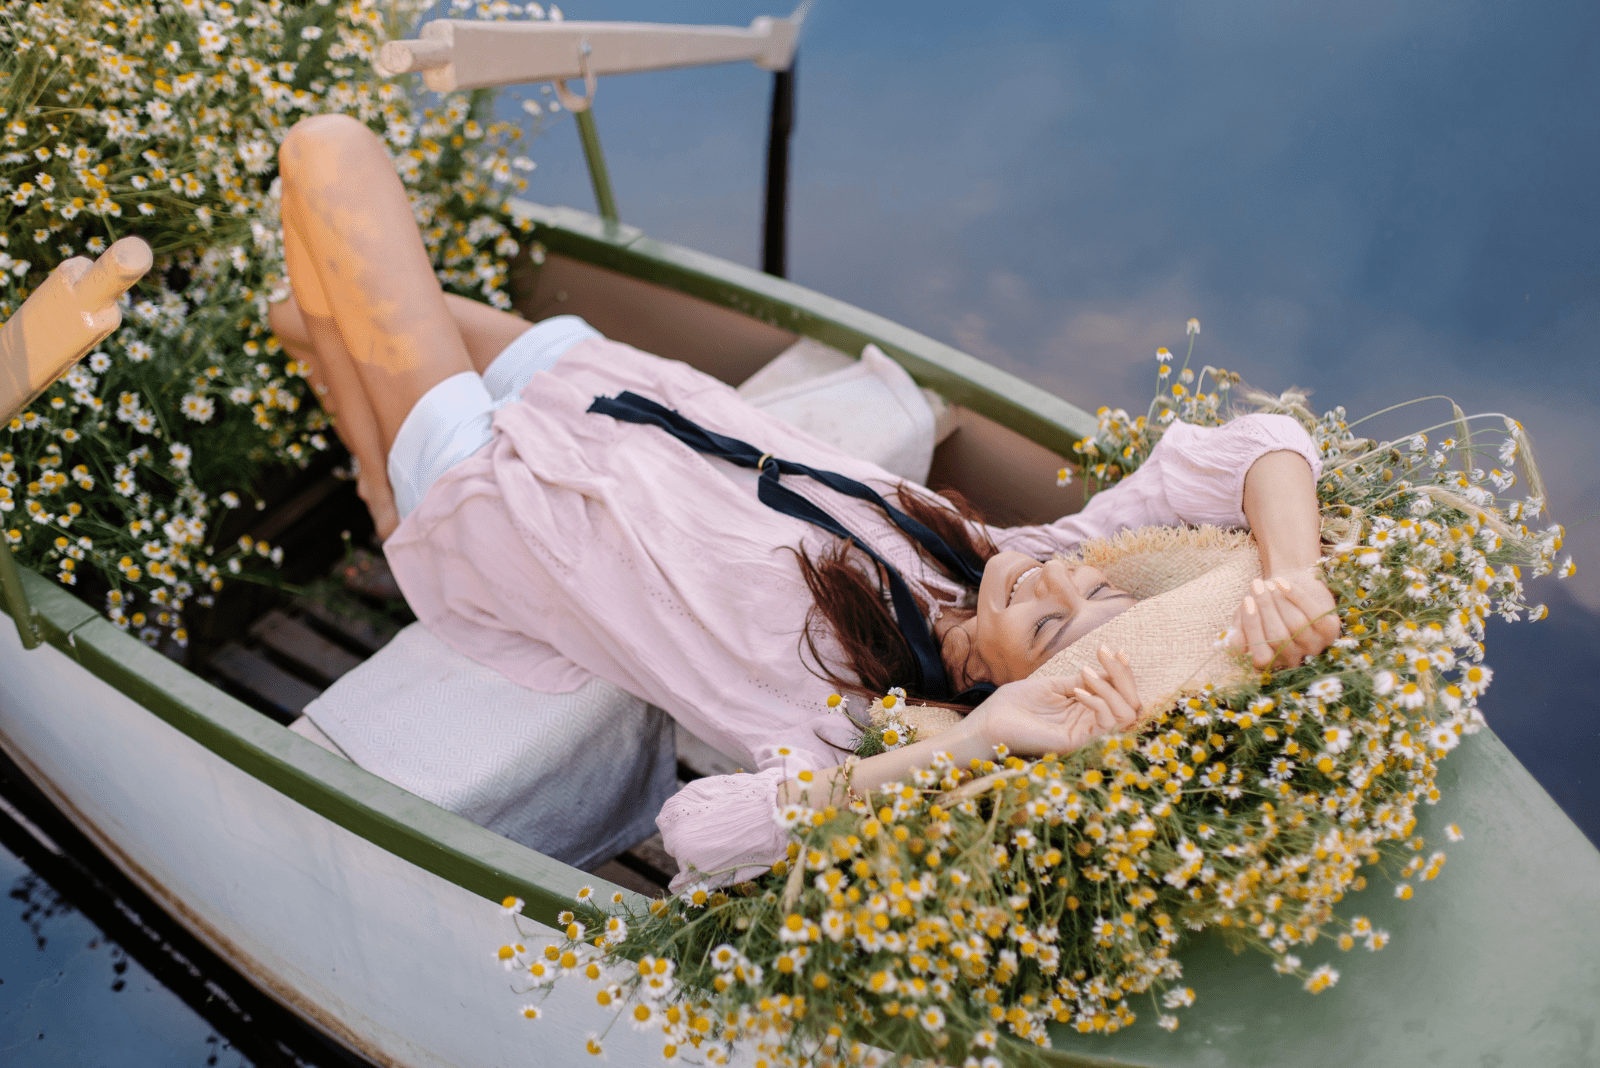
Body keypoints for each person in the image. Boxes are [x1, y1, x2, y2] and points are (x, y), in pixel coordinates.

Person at [266, 114, 1340, 889]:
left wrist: (974, 749)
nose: (1066, 572)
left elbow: (698, 831)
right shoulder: (1015, 552)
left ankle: (401, 496)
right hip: (619, 396)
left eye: (1054, 620)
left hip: (509, 496)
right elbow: (1261, 443)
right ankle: (378, 482)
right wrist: (1292, 575)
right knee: (297, 317)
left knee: (328, 152)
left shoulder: (854, 726)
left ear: (985, 684)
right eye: (1098, 582)